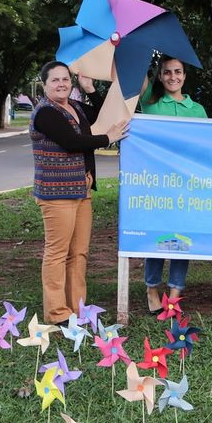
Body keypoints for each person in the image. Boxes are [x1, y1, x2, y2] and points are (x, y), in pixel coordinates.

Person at [31, 61, 128, 325]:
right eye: (55, 80)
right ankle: (57, 312)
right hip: (56, 193)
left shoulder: (73, 107)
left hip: (81, 189)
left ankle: (78, 309)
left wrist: (90, 89)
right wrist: (108, 138)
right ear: (45, 84)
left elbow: (100, 115)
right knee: (57, 253)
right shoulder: (45, 112)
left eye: (66, 79)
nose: (62, 84)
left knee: (79, 252)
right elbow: (72, 142)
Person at [138, 57, 207, 311]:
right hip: (158, 184)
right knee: (158, 238)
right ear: (160, 76)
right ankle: (152, 289)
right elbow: (138, 75)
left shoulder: (197, 110)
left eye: (178, 72)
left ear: (185, 76)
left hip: (187, 186)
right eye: (167, 72)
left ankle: (175, 292)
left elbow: (206, 146)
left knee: (181, 239)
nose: (173, 77)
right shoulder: (150, 103)